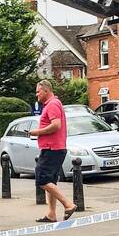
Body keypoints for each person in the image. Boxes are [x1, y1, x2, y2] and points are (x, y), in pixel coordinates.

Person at [28, 78, 76, 223]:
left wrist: (37, 132)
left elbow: (56, 125)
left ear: (46, 90)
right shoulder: (52, 104)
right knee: (51, 181)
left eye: (38, 92)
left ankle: (68, 204)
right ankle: (51, 213)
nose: (36, 95)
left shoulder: (53, 104)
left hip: (52, 148)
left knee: (42, 179)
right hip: (55, 148)